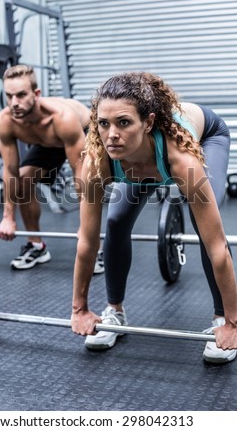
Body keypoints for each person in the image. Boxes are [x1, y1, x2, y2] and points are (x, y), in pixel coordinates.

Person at [71, 71, 237, 364]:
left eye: (123, 122)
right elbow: (86, 241)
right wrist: (79, 309)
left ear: (147, 122)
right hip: (138, 163)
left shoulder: (182, 160)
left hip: (208, 136)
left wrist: (234, 324)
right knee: (115, 222)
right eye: (103, 123)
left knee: (206, 228)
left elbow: (218, 249)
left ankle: (221, 317)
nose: (111, 135)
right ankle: (115, 311)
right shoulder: (99, 161)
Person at [0, 64, 104, 273]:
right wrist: (8, 217)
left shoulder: (62, 117)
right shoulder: (5, 121)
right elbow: (10, 171)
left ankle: (94, 247)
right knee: (24, 182)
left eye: (20, 95)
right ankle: (36, 246)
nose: (14, 103)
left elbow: (81, 177)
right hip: (48, 143)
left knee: (90, 183)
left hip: (83, 132)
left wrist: (85, 227)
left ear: (36, 94)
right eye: (9, 96)